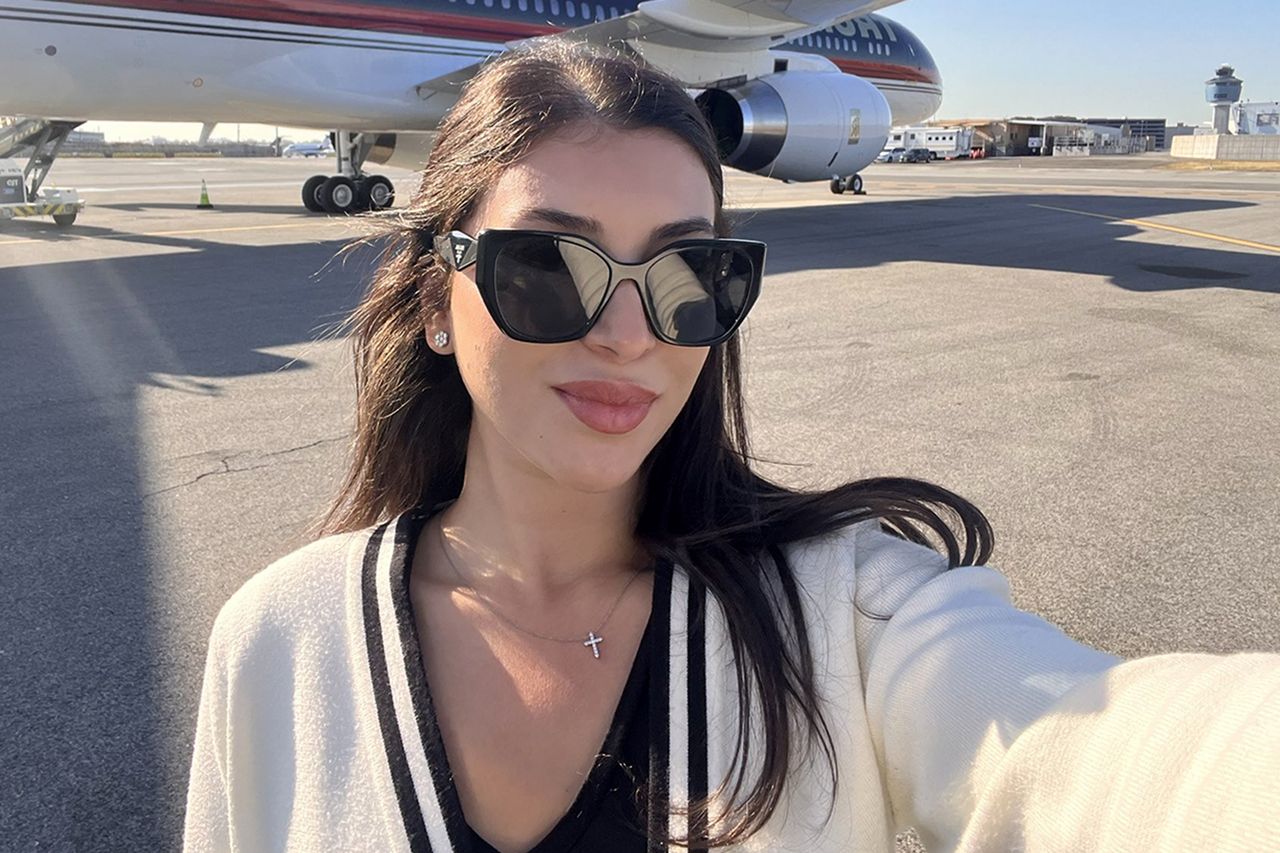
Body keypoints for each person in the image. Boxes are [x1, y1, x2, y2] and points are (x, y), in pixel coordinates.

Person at [183, 42, 1279, 853]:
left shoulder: (842, 613)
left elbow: (1091, 748)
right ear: (432, 298)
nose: (625, 334)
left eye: (689, 278)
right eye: (544, 267)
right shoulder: (282, 637)